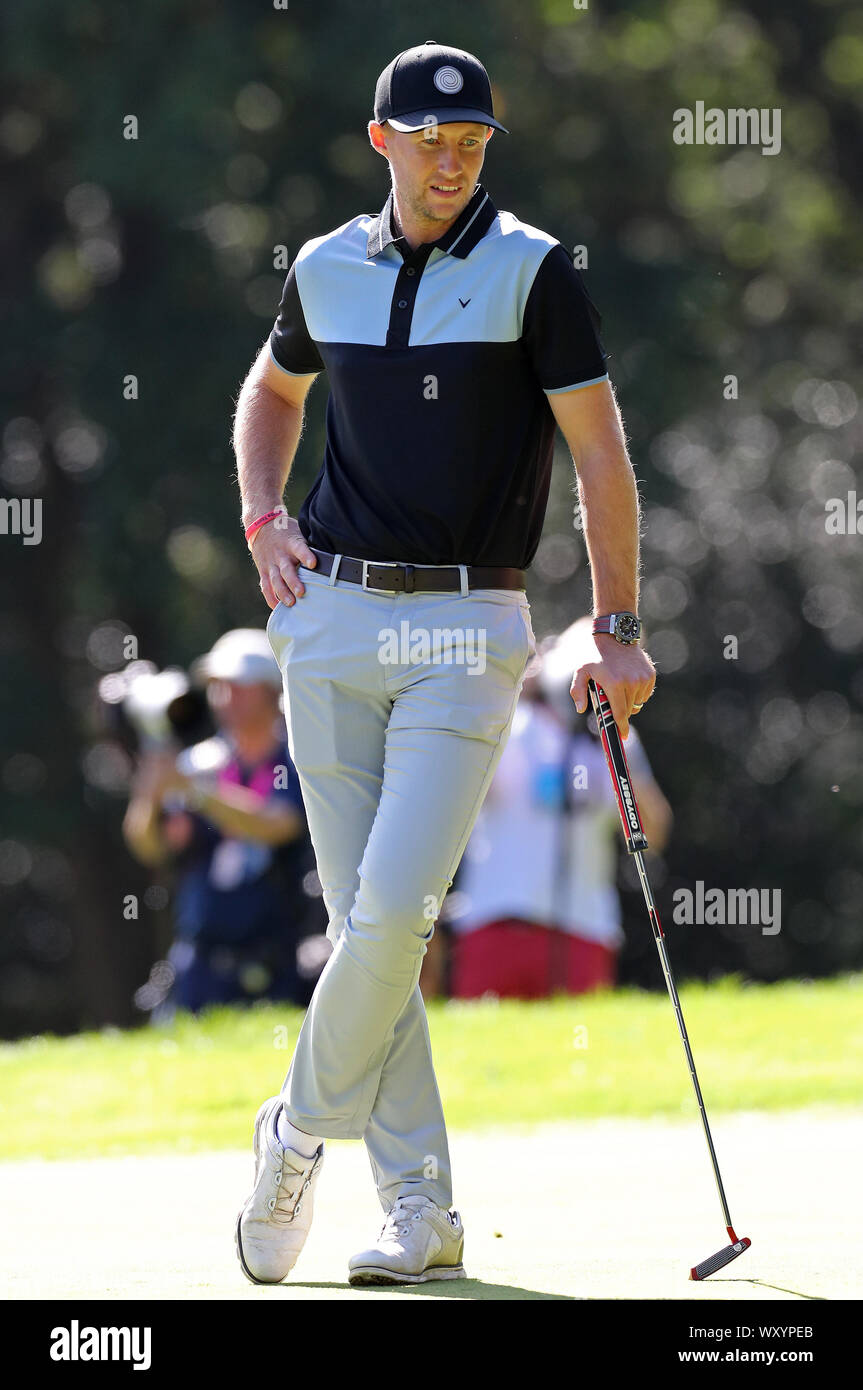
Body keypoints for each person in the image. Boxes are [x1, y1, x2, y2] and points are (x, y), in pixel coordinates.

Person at [232, 40, 656, 1287]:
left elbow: (599, 457)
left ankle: (296, 1130)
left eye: (471, 144)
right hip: (330, 623)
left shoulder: (532, 272)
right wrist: (265, 519)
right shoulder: (323, 267)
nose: (451, 162)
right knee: (371, 924)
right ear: (381, 141)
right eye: (429, 141)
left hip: (468, 631)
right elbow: (270, 397)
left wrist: (617, 625)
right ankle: (421, 1210)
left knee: (392, 914)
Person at [448, 622, 673, 997]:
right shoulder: (506, 726)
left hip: (583, 929)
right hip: (495, 923)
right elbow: (452, 805)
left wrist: (620, 754)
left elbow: (654, 836)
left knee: (578, 1053)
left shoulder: (619, 740)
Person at [123, 629, 326, 1014]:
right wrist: (149, 793)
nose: (226, 699)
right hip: (200, 959)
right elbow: (151, 846)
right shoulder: (198, 762)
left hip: (279, 956)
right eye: (218, 687)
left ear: (271, 690)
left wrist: (196, 791)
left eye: (239, 687)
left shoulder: (298, 760)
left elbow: (278, 825)